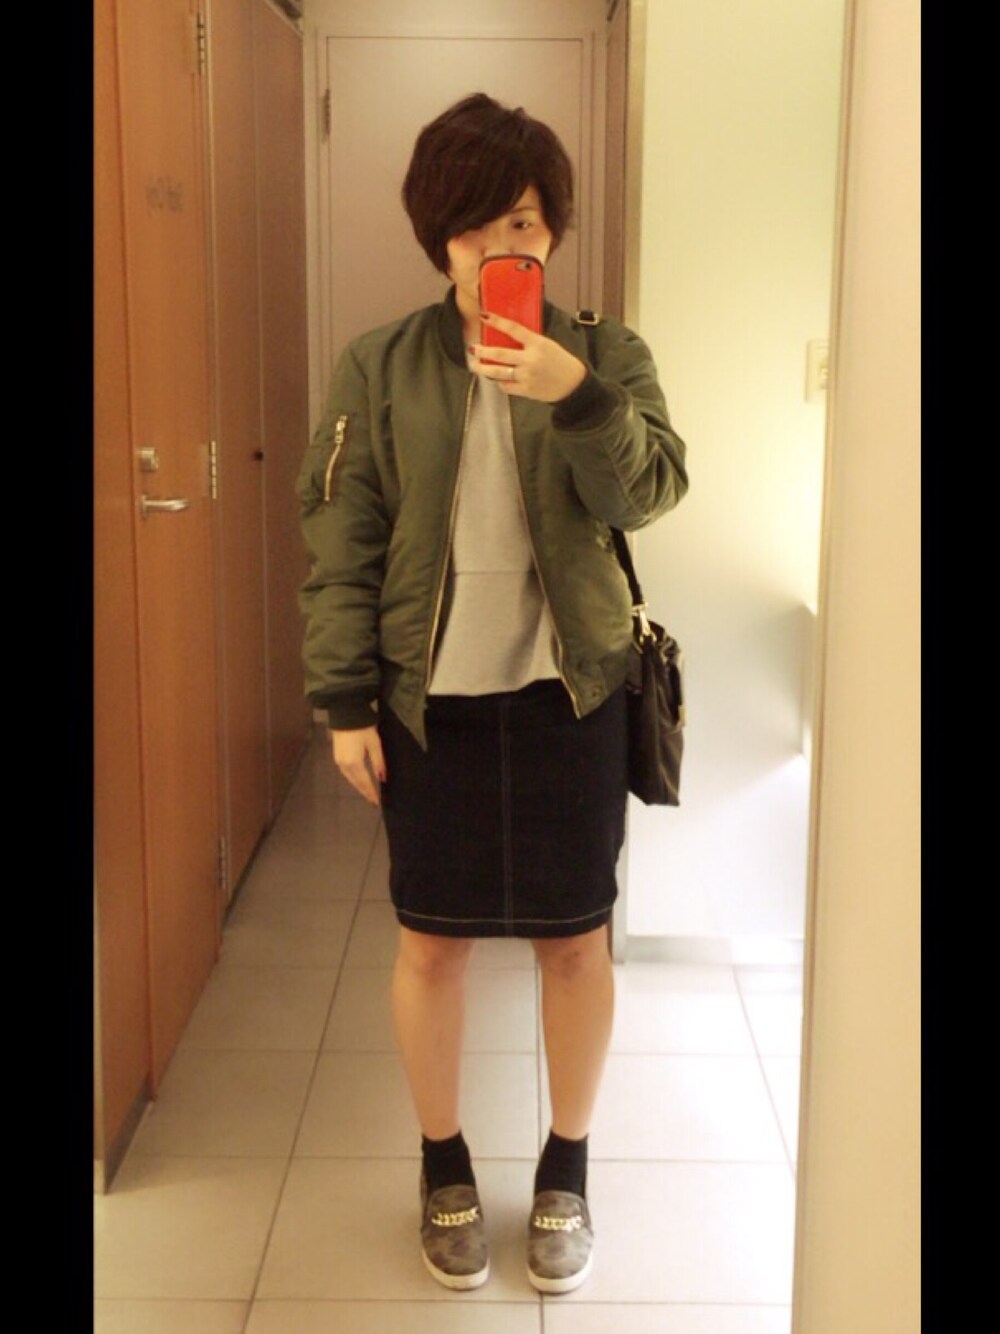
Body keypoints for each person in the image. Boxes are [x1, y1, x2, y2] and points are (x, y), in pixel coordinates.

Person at [298, 92, 688, 1295]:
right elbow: (342, 540)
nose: (496, 248)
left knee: (574, 940)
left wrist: (575, 393)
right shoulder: (379, 364)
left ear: (551, 229)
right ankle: (444, 1161)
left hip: (573, 692)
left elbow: (648, 494)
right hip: (433, 703)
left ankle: (567, 1164)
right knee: (431, 944)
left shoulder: (605, 354)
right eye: (472, 226)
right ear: (438, 238)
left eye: (519, 221)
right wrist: (343, 700)